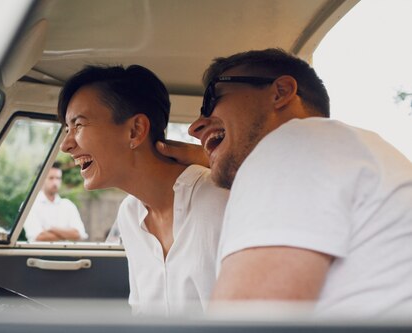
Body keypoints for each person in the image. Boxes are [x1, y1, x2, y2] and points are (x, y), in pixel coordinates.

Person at [157, 48, 412, 316]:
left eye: (212, 99)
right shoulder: (347, 150)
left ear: (280, 92)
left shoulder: (290, 145)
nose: (195, 127)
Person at [59, 65, 229, 316]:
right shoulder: (129, 214)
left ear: (136, 130)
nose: (66, 144)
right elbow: (142, 316)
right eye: (66, 129)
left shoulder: (217, 199)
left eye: (79, 125)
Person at [23, 162, 88, 242]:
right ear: (41, 180)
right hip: (39, 254)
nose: (55, 182)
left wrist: (51, 228)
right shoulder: (30, 205)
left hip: (65, 254)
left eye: (58, 178)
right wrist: (67, 234)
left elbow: (79, 234)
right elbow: (38, 236)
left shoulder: (68, 205)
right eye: (51, 178)